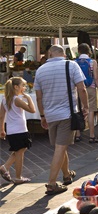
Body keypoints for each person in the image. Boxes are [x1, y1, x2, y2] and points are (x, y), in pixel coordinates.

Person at [34, 45, 89, 195]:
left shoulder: (40, 70)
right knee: (60, 147)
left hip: (50, 115)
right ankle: (51, 183)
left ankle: (66, 175)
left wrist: (43, 115)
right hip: (66, 114)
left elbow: (39, 97)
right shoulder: (71, 65)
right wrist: (86, 107)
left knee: (61, 145)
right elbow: (82, 88)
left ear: (50, 53)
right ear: (63, 54)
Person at [0, 77, 36, 185]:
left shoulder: (4, 99)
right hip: (20, 129)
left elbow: (1, 116)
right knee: (19, 153)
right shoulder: (16, 99)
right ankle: (17, 176)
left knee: (18, 151)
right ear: (16, 87)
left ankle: (5, 167)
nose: (24, 88)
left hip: (11, 129)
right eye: (23, 86)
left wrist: (2, 129)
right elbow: (32, 109)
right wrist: (29, 98)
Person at [74, 43, 98, 144]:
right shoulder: (92, 62)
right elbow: (96, 77)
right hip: (90, 88)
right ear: (89, 51)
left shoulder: (74, 62)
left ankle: (77, 135)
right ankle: (91, 136)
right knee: (90, 111)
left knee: (77, 111)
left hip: (78, 89)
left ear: (79, 51)